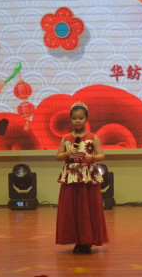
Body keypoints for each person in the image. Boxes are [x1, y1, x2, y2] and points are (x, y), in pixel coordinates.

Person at [55, 102, 108, 254]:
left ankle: (87, 240)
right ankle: (77, 240)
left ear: (86, 119)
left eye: (80, 118)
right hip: (71, 177)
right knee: (73, 209)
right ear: (70, 119)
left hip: (87, 177)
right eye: (74, 118)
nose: (77, 121)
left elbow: (101, 155)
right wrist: (68, 153)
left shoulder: (93, 137)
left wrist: (93, 158)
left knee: (88, 208)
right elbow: (58, 157)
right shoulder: (66, 138)